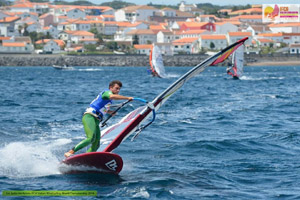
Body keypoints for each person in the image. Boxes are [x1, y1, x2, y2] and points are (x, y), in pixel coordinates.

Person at [64, 80, 133, 158]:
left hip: (96, 120)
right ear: (111, 88)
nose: (118, 90)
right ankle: (70, 152)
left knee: (96, 144)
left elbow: (100, 106)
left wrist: (109, 111)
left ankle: (86, 158)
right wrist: (127, 98)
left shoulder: (108, 99)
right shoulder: (107, 93)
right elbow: (112, 96)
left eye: (119, 89)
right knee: (90, 138)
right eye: (116, 88)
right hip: (89, 116)